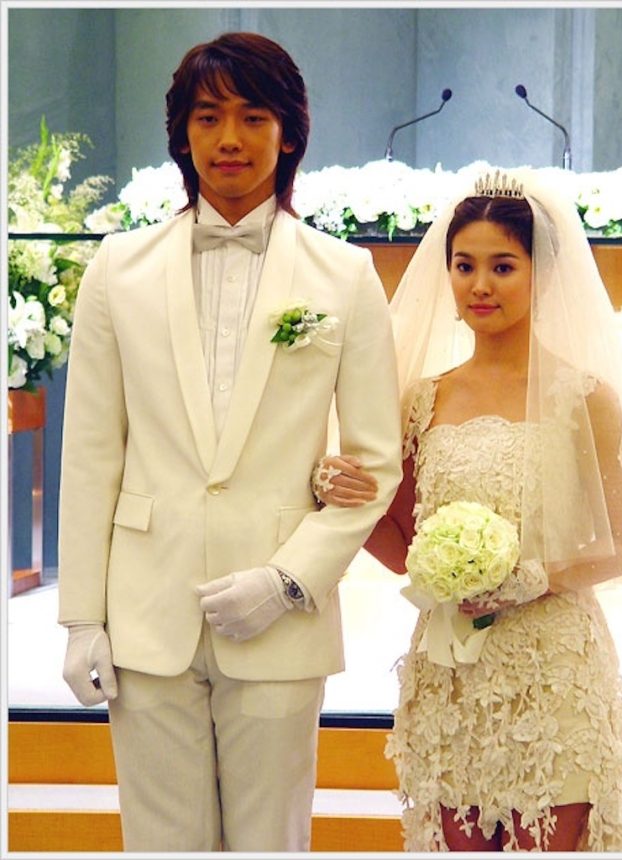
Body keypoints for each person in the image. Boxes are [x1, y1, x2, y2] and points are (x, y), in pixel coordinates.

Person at [57, 31, 402, 852]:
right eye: (208, 117)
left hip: (280, 618)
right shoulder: (117, 269)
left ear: (290, 132)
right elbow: (92, 454)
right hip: (146, 614)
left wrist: (287, 582)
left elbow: (375, 465)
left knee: (271, 841)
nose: (231, 139)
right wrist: (80, 619)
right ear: (182, 135)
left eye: (254, 116)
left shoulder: (345, 274)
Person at [315, 168, 622, 851]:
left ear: (543, 275)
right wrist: (350, 505)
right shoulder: (423, 400)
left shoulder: (585, 398)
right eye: (464, 266)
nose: (480, 285)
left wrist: (530, 579)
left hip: (555, 667)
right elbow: (403, 545)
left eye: (503, 266)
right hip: (453, 671)